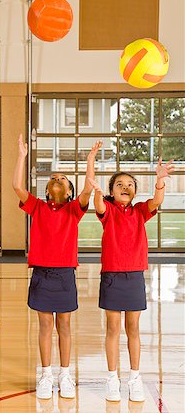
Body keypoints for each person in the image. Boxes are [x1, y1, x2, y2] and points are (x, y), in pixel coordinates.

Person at [13, 134, 102, 399]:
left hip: (64, 274)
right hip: (41, 273)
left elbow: (87, 189)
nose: (57, 178)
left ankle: (65, 375)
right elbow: (17, 186)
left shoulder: (74, 209)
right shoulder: (38, 207)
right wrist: (21, 155)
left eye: (62, 178)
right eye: (54, 177)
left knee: (64, 325)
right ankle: (46, 375)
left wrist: (89, 160)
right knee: (43, 327)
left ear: (69, 191)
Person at [89, 158, 175, 402]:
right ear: (111, 191)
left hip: (134, 275)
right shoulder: (108, 210)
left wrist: (159, 180)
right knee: (113, 328)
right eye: (119, 184)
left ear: (135, 190)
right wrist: (96, 193)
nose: (125, 187)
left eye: (129, 184)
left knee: (133, 328)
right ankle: (112, 379)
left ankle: (135, 378)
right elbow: (100, 206)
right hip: (112, 276)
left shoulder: (139, 211)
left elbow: (157, 201)